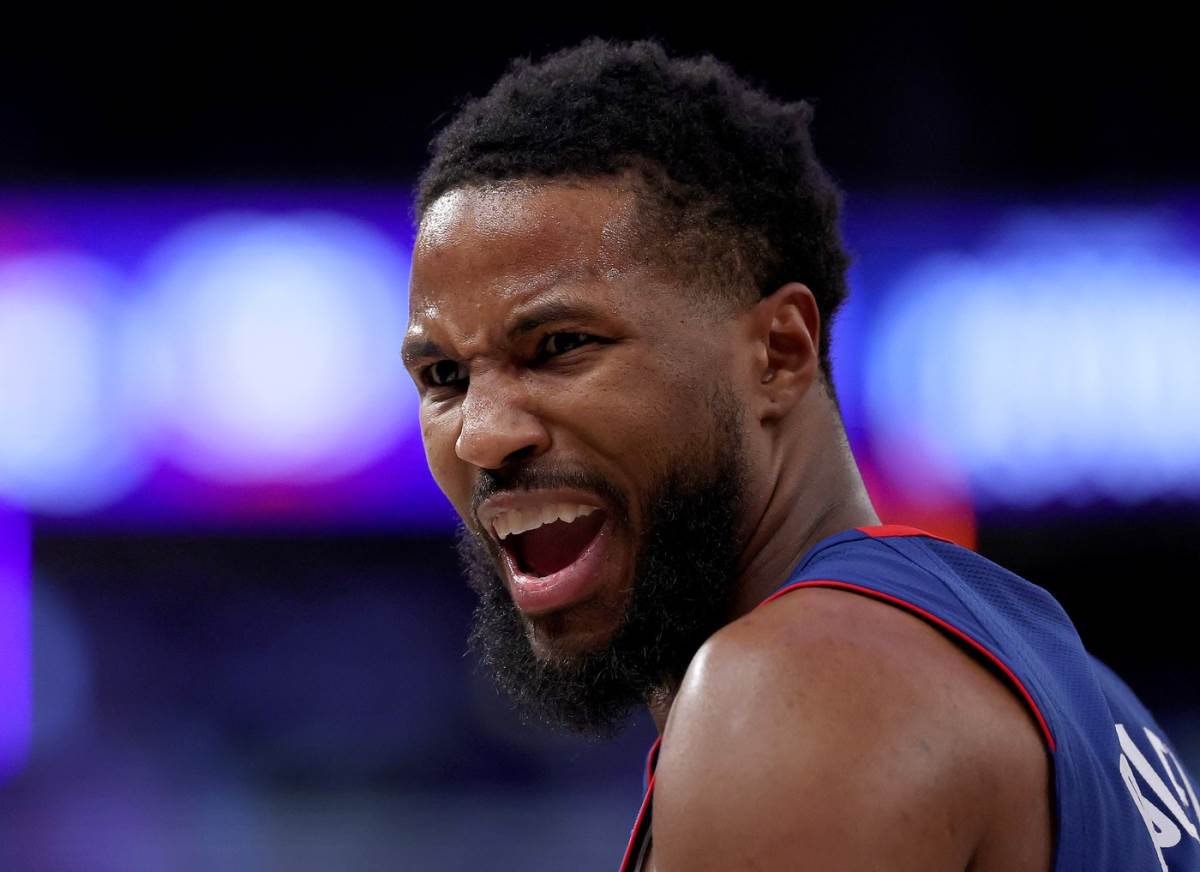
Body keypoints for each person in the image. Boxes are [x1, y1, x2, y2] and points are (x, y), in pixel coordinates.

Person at [401, 38, 1200, 872]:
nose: (481, 433)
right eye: (444, 376)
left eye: (562, 345)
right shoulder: (1080, 690)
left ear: (780, 354)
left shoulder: (797, 689)